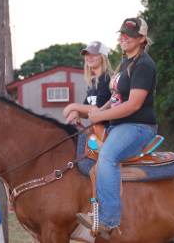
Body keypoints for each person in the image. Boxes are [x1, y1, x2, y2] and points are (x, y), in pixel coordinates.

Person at [76, 18, 158, 240]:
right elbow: (115, 99)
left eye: (129, 34)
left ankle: (108, 219)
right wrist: (96, 113)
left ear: (142, 39)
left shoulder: (144, 65)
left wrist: (101, 115)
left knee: (108, 156)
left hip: (137, 126)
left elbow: (133, 104)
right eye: (122, 33)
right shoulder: (124, 65)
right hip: (119, 124)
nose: (123, 37)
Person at [63, 41, 113, 125]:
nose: (89, 57)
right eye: (87, 54)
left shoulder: (106, 77)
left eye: (94, 54)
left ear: (103, 57)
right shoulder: (93, 81)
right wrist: (76, 112)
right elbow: (86, 112)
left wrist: (72, 106)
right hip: (96, 129)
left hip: (109, 128)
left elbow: (98, 108)